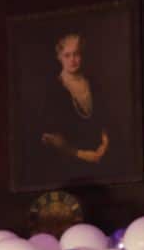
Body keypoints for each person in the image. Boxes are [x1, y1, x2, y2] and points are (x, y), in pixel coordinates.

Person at [32, 31, 111, 183]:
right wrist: (83, 155)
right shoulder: (54, 88)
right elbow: (50, 137)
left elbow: (104, 117)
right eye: (67, 55)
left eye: (76, 54)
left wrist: (105, 144)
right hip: (69, 162)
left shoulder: (92, 82)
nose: (72, 60)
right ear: (59, 58)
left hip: (99, 154)